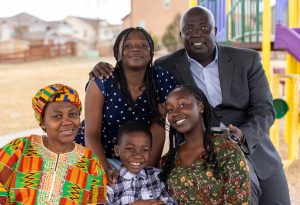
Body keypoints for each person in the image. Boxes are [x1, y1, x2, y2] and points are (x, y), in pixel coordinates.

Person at [89, 6, 290, 205]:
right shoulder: (165, 67)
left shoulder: (246, 60)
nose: (196, 34)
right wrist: (100, 68)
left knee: (276, 199)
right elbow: (133, 78)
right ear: (181, 34)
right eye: (188, 29)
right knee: (241, 189)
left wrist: (244, 135)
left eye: (204, 28)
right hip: (197, 147)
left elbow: (264, 108)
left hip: (250, 144)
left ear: (215, 31)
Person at [75, 27, 178, 177]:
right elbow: (91, 135)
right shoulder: (102, 80)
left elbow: (158, 128)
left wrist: (145, 175)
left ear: (151, 54)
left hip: (135, 156)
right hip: (95, 155)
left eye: (143, 45)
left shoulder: (160, 78)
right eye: (127, 45)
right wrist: (107, 171)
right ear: (117, 53)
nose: (135, 49)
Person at [0, 84, 107, 205]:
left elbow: (96, 201)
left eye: (72, 114)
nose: (67, 121)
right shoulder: (19, 148)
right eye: (57, 116)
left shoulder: (91, 163)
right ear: (43, 122)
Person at [160, 85, 250, 204]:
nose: (175, 113)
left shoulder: (227, 151)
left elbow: (239, 200)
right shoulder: (167, 161)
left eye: (182, 105)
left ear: (200, 107)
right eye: (170, 109)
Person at [106, 121, 178, 205]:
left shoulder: (157, 175)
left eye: (144, 150)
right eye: (131, 149)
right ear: (117, 150)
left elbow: (171, 201)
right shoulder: (110, 182)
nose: (138, 155)